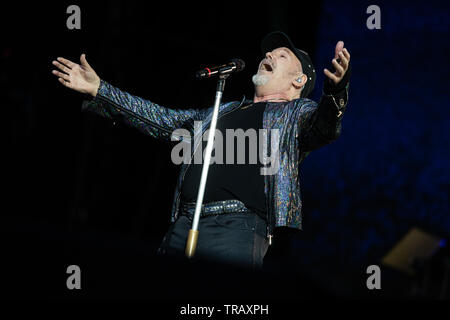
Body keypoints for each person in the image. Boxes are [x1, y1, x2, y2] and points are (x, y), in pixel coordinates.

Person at [51, 31, 351, 269]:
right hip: (184, 223)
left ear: (298, 81)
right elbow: (162, 120)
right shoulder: (222, 110)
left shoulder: (296, 114)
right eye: (268, 52)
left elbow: (324, 126)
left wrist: (336, 90)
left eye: (282, 55)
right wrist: (100, 89)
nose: (269, 55)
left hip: (237, 229)